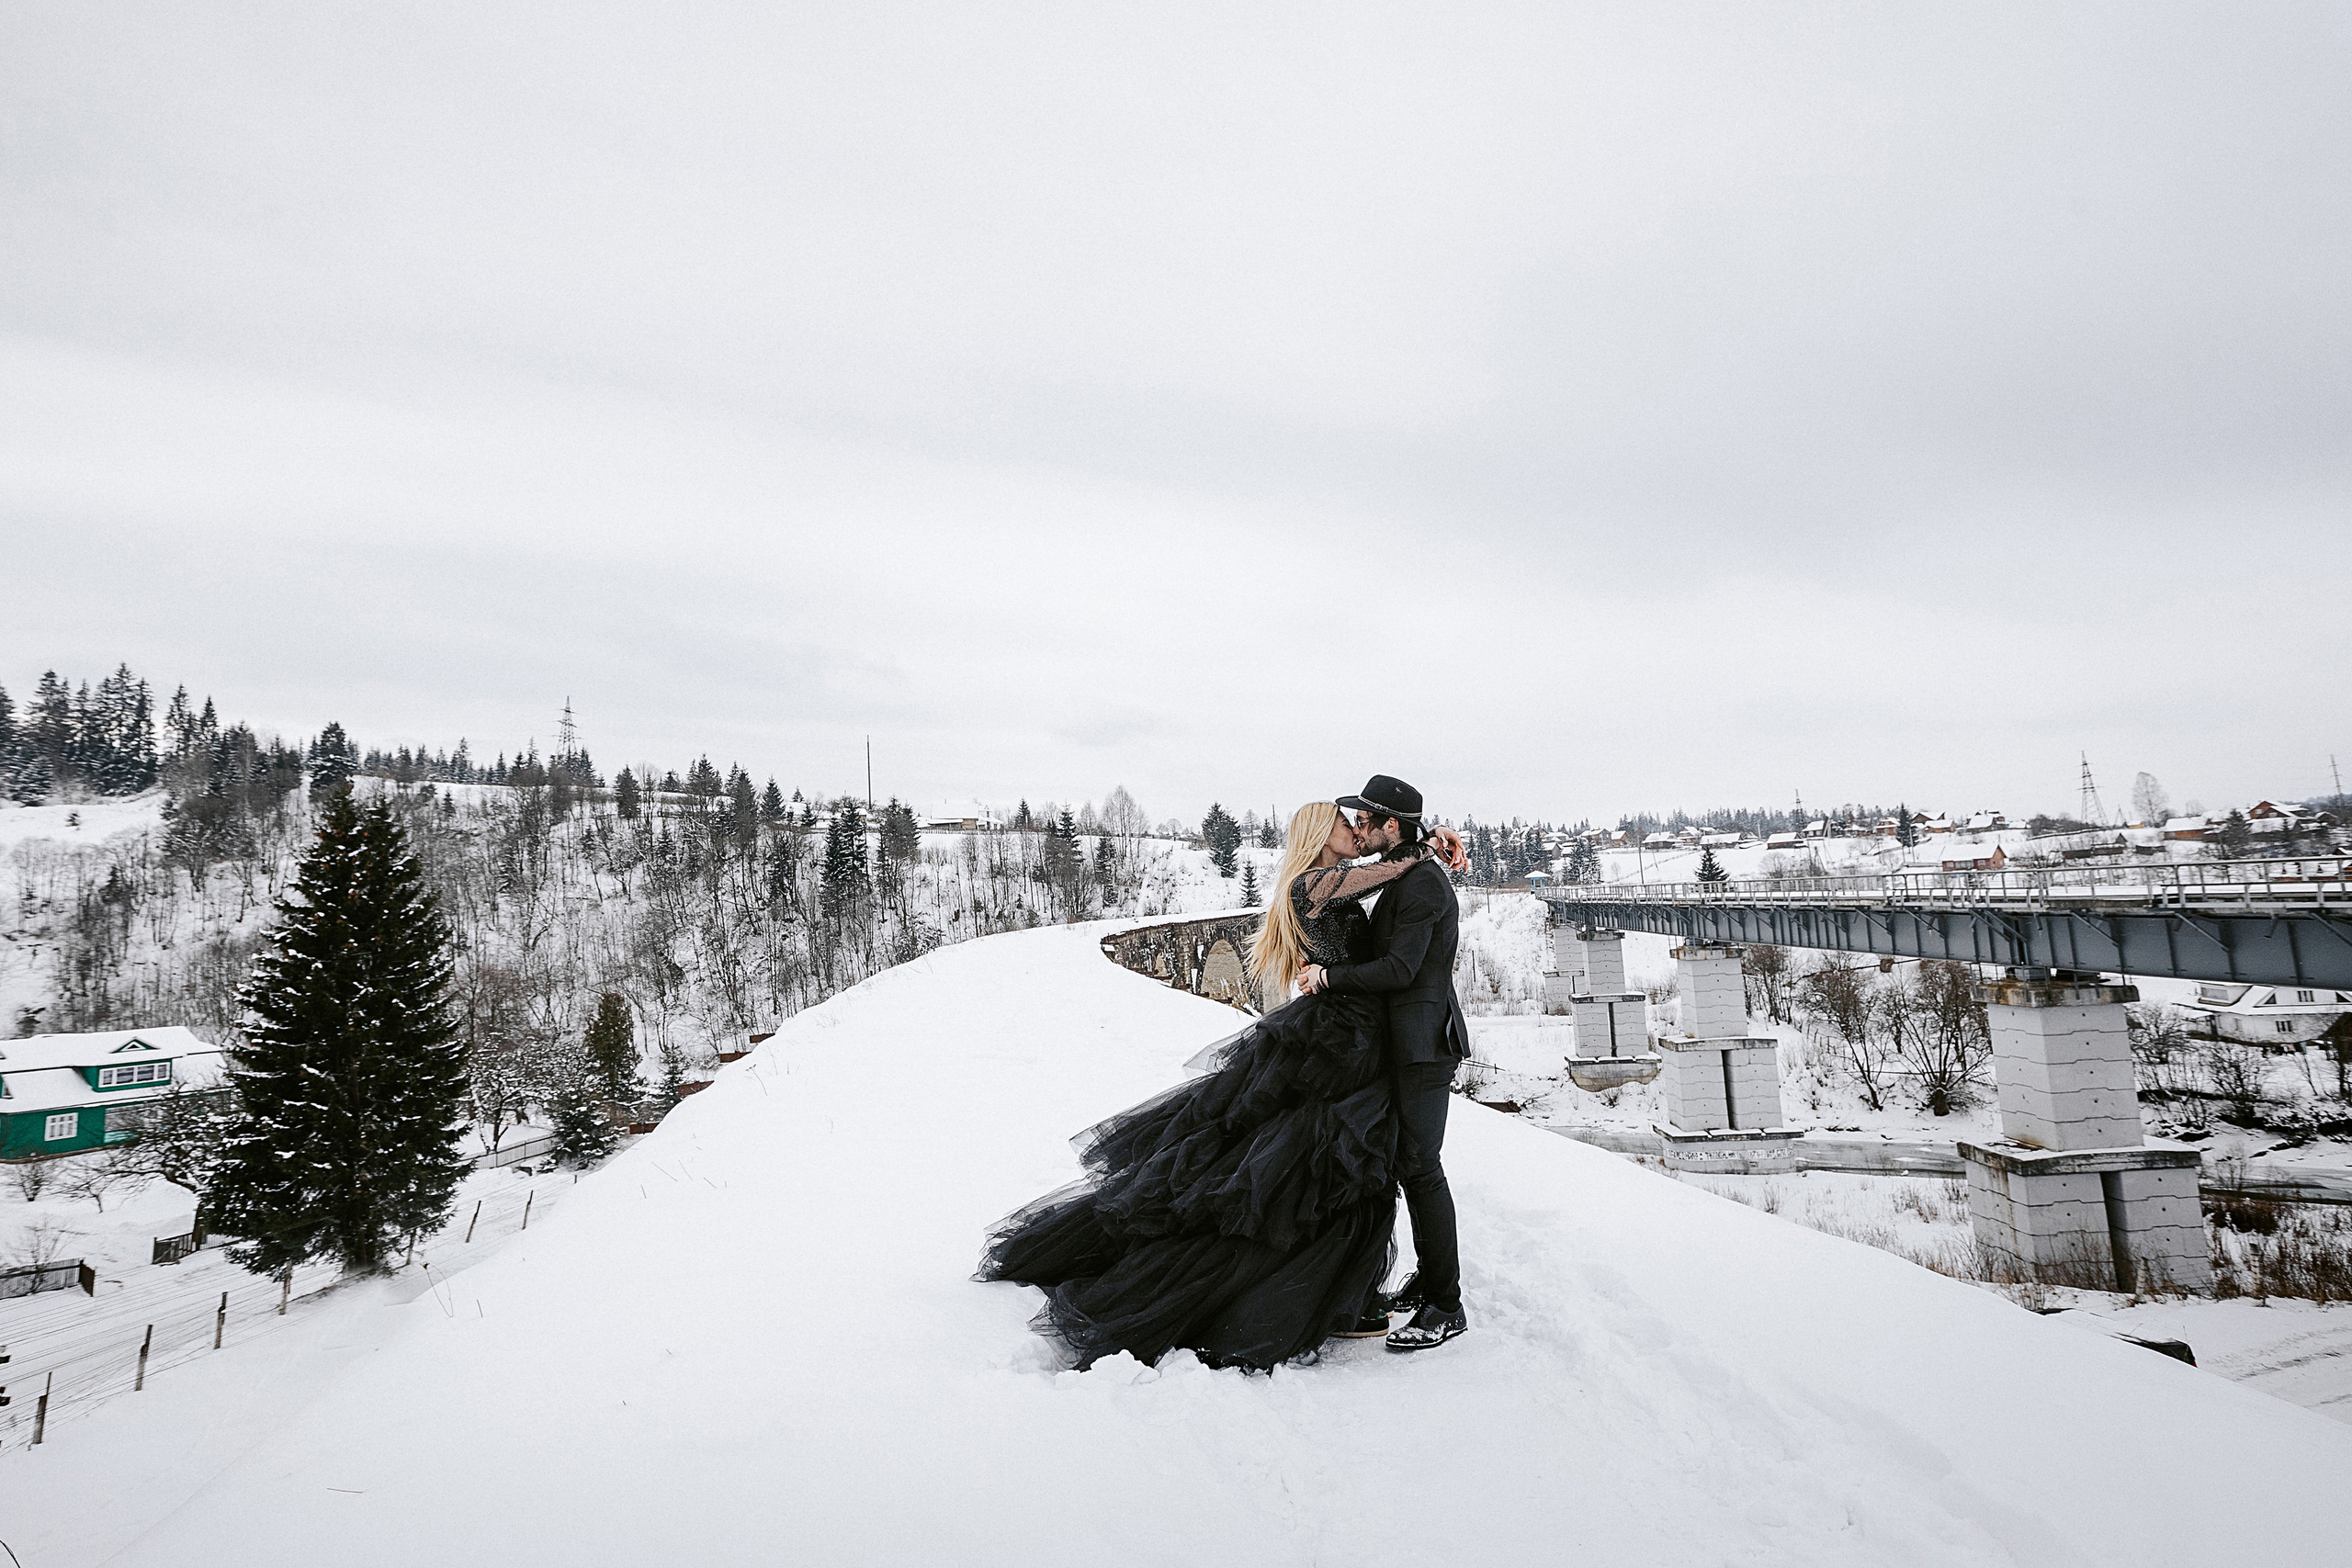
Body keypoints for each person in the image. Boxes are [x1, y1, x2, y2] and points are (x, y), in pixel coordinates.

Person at [976, 800, 1466, 1371]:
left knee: (1339, 1161)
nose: (1355, 830)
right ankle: (1358, 1292)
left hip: (1359, 1037)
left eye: (1361, 821)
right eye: (1344, 822)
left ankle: (1363, 1290)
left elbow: (1387, 885)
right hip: (1345, 1038)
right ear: (1317, 835)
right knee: (1331, 1162)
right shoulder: (1318, 882)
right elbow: (1384, 877)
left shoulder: (1346, 879)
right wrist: (1426, 845)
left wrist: (1425, 842)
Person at [1300, 774, 1470, 1352]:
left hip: (1423, 1047)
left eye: (1365, 821)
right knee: (1408, 1165)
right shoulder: (1409, 874)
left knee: (1420, 1168)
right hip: (1402, 1043)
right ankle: (1431, 1278)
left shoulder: (1422, 885)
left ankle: (1446, 1305)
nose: (1358, 830)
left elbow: (1400, 969)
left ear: (1390, 825)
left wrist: (1328, 977)